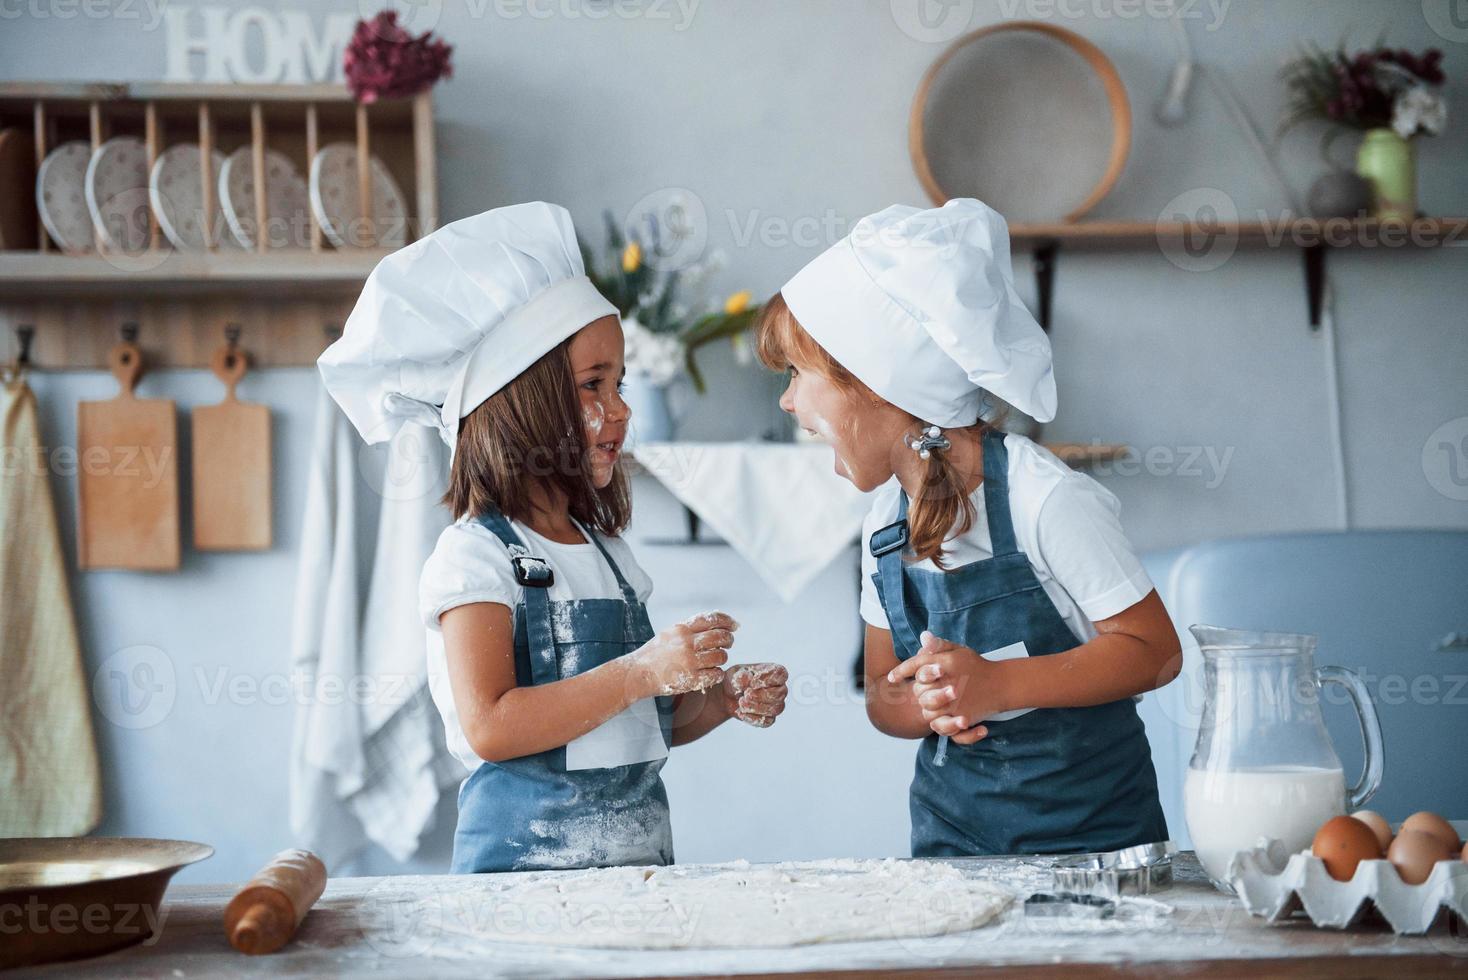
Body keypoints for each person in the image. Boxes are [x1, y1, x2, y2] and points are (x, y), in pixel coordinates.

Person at [320, 202, 788, 872]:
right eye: (593, 384)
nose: (620, 407)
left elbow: (641, 721)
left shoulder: (608, 555)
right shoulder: (475, 558)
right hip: (520, 886)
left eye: (619, 382)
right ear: (518, 406)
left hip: (638, 881)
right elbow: (492, 724)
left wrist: (717, 698)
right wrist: (642, 669)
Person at [755, 198, 1177, 856]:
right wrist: (932, 702)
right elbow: (881, 695)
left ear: (881, 385)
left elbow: (1155, 651)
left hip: (1097, 851)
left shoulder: (1046, 500)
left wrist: (1000, 685)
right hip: (952, 849)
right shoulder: (883, 528)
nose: (788, 400)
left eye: (798, 374)